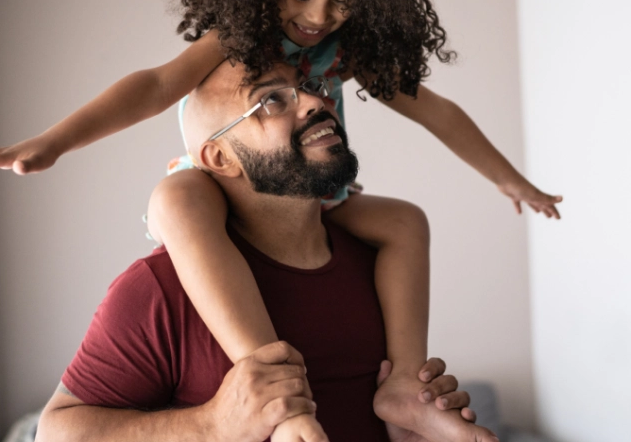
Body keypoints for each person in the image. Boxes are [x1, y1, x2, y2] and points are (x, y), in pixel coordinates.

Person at [0, 0, 560, 440]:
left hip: (320, 196)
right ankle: (269, 378)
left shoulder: (345, 55)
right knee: (177, 198)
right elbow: (155, 86)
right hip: (213, 188)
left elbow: (438, 112)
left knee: (405, 220)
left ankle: (403, 386)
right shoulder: (238, 38)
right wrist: (52, 141)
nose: (317, 19)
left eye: (340, 3)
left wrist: (513, 181)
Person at [35, 61, 498, 442]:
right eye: (271, 99)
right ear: (219, 158)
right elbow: (55, 433)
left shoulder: (380, 259)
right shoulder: (161, 288)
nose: (320, 102)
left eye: (310, 87)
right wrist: (210, 425)